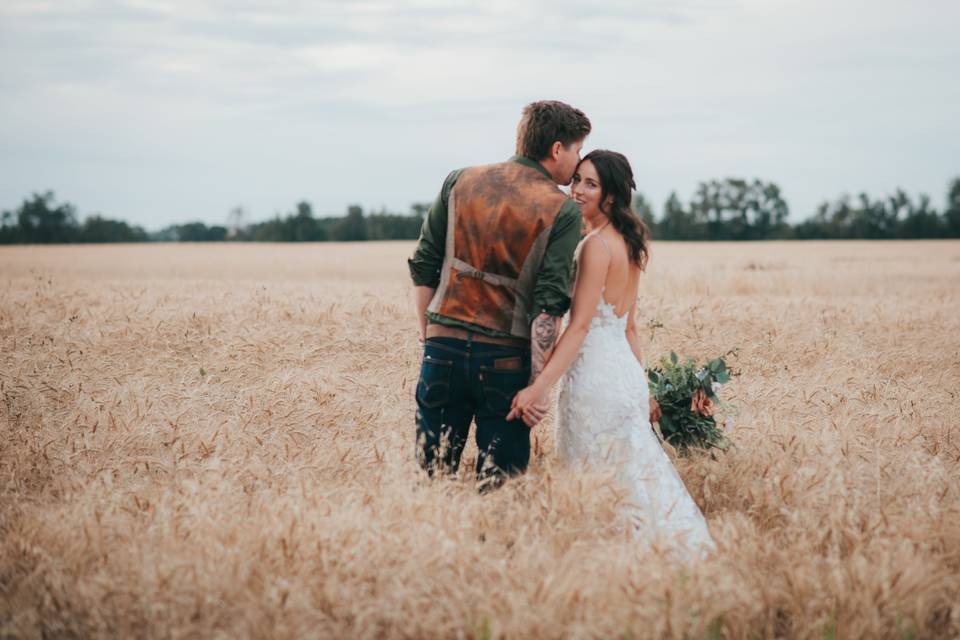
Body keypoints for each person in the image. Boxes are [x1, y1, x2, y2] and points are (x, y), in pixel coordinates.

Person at [508, 150, 715, 552]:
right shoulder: (630, 246)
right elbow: (630, 328)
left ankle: (619, 557)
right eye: (577, 179)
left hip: (596, 382)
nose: (577, 189)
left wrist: (540, 386)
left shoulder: (595, 247)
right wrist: (644, 387)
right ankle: (662, 550)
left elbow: (581, 325)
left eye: (591, 183)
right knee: (632, 474)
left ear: (611, 196)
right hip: (623, 377)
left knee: (598, 479)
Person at [407, 100, 591, 489]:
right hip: (504, 361)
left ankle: (429, 546)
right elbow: (549, 304)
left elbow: (424, 264)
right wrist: (536, 386)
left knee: (432, 479)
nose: (577, 162)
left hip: (442, 349)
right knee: (500, 488)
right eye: (576, 150)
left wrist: (430, 335)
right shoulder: (562, 210)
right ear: (557, 149)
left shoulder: (460, 181)